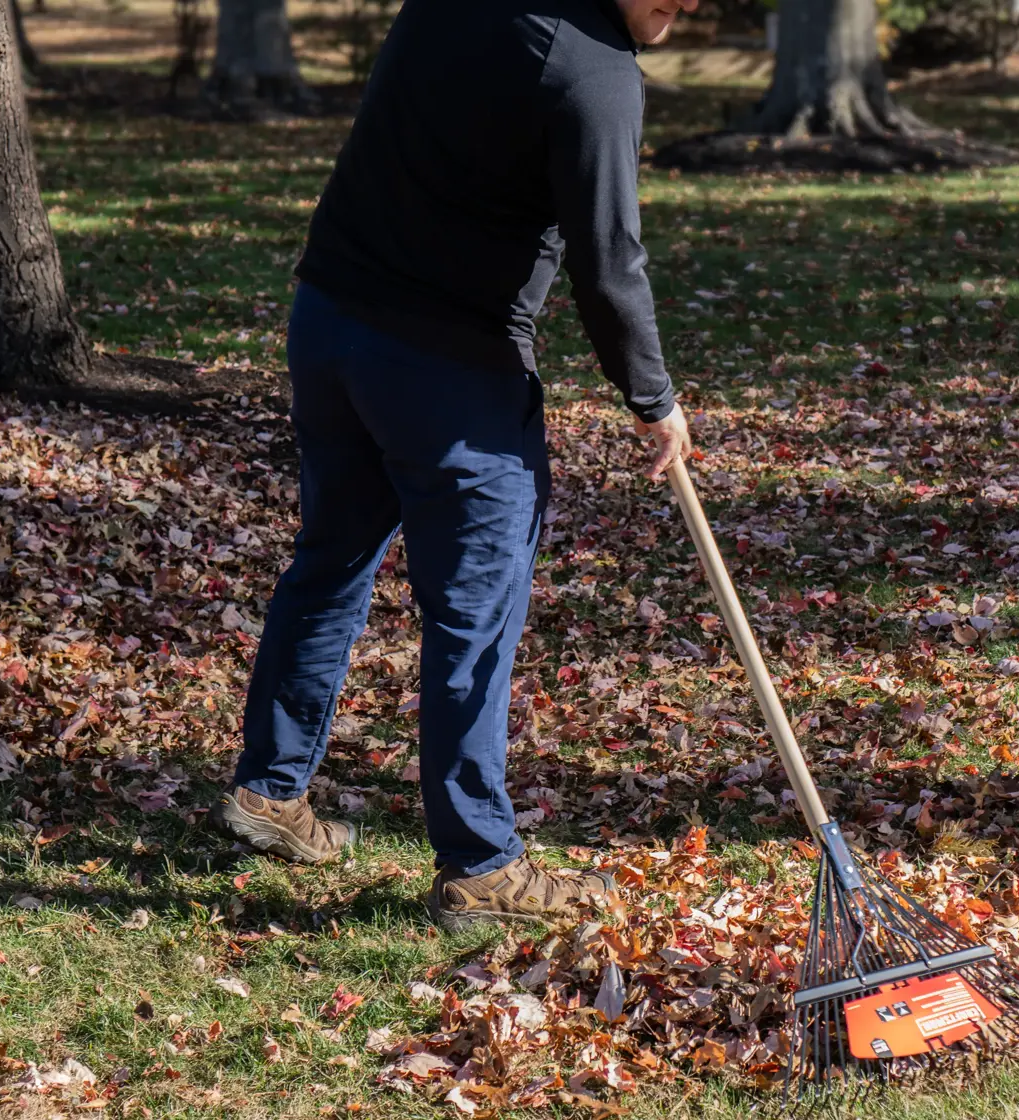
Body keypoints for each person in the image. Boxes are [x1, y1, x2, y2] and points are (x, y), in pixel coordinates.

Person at [209, 0, 697, 932]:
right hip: (447, 371)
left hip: (331, 325)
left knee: (332, 560)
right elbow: (607, 258)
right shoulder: (596, 74)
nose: (685, 3)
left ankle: (269, 790)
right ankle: (481, 864)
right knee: (473, 616)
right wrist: (653, 395)